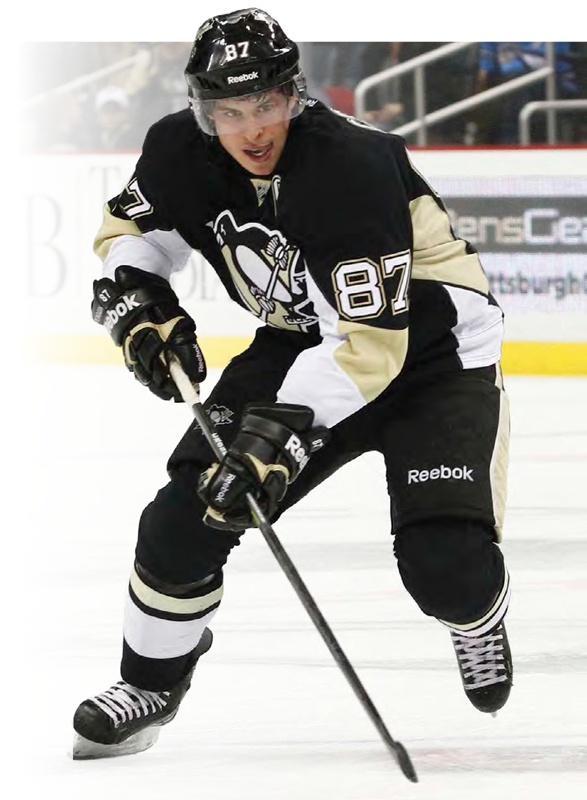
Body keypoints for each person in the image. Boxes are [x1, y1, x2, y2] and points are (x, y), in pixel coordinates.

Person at [72, 8, 514, 760]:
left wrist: (278, 430)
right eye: (230, 110)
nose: (252, 129)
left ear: (294, 95)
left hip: (432, 355)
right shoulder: (179, 149)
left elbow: (373, 344)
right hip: (302, 339)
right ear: (201, 108)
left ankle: (476, 621)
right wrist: (139, 298)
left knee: (447, 570)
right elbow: (134, 233)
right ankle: (150, 681)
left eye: (267, 105)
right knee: (187, 516)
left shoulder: (350, 166)